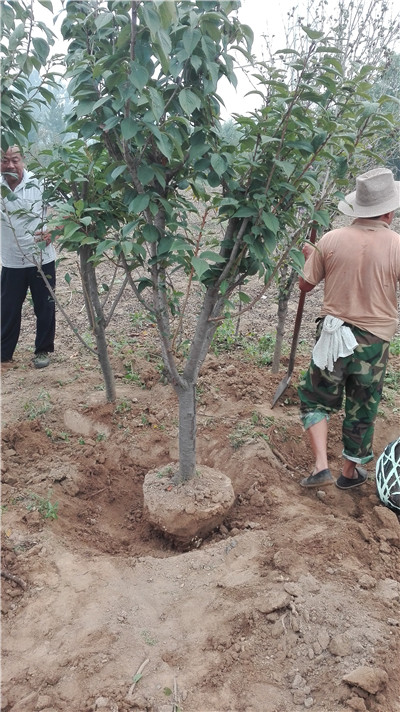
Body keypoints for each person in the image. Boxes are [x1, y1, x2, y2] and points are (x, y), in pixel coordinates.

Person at [297, 166, 400, 490]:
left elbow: (305, 285)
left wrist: (312, 257)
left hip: (333, 336)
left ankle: (320, 466)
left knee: (315, 399)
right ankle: (350, 472)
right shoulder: (397, 245)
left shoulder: (331, 239)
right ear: (388, 211)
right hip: (374, 343)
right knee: (363, 404)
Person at [1, 146, 56, 369]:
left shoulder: (40, 182)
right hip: (11, 260)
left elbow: (62, 208)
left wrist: (54, 229)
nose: (11, 165)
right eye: (4, 161)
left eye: (15, 160)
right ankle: (4, 353)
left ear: (23, 160)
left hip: (42, 259)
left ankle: (43, 350)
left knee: (44, 306)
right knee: (8, 308)